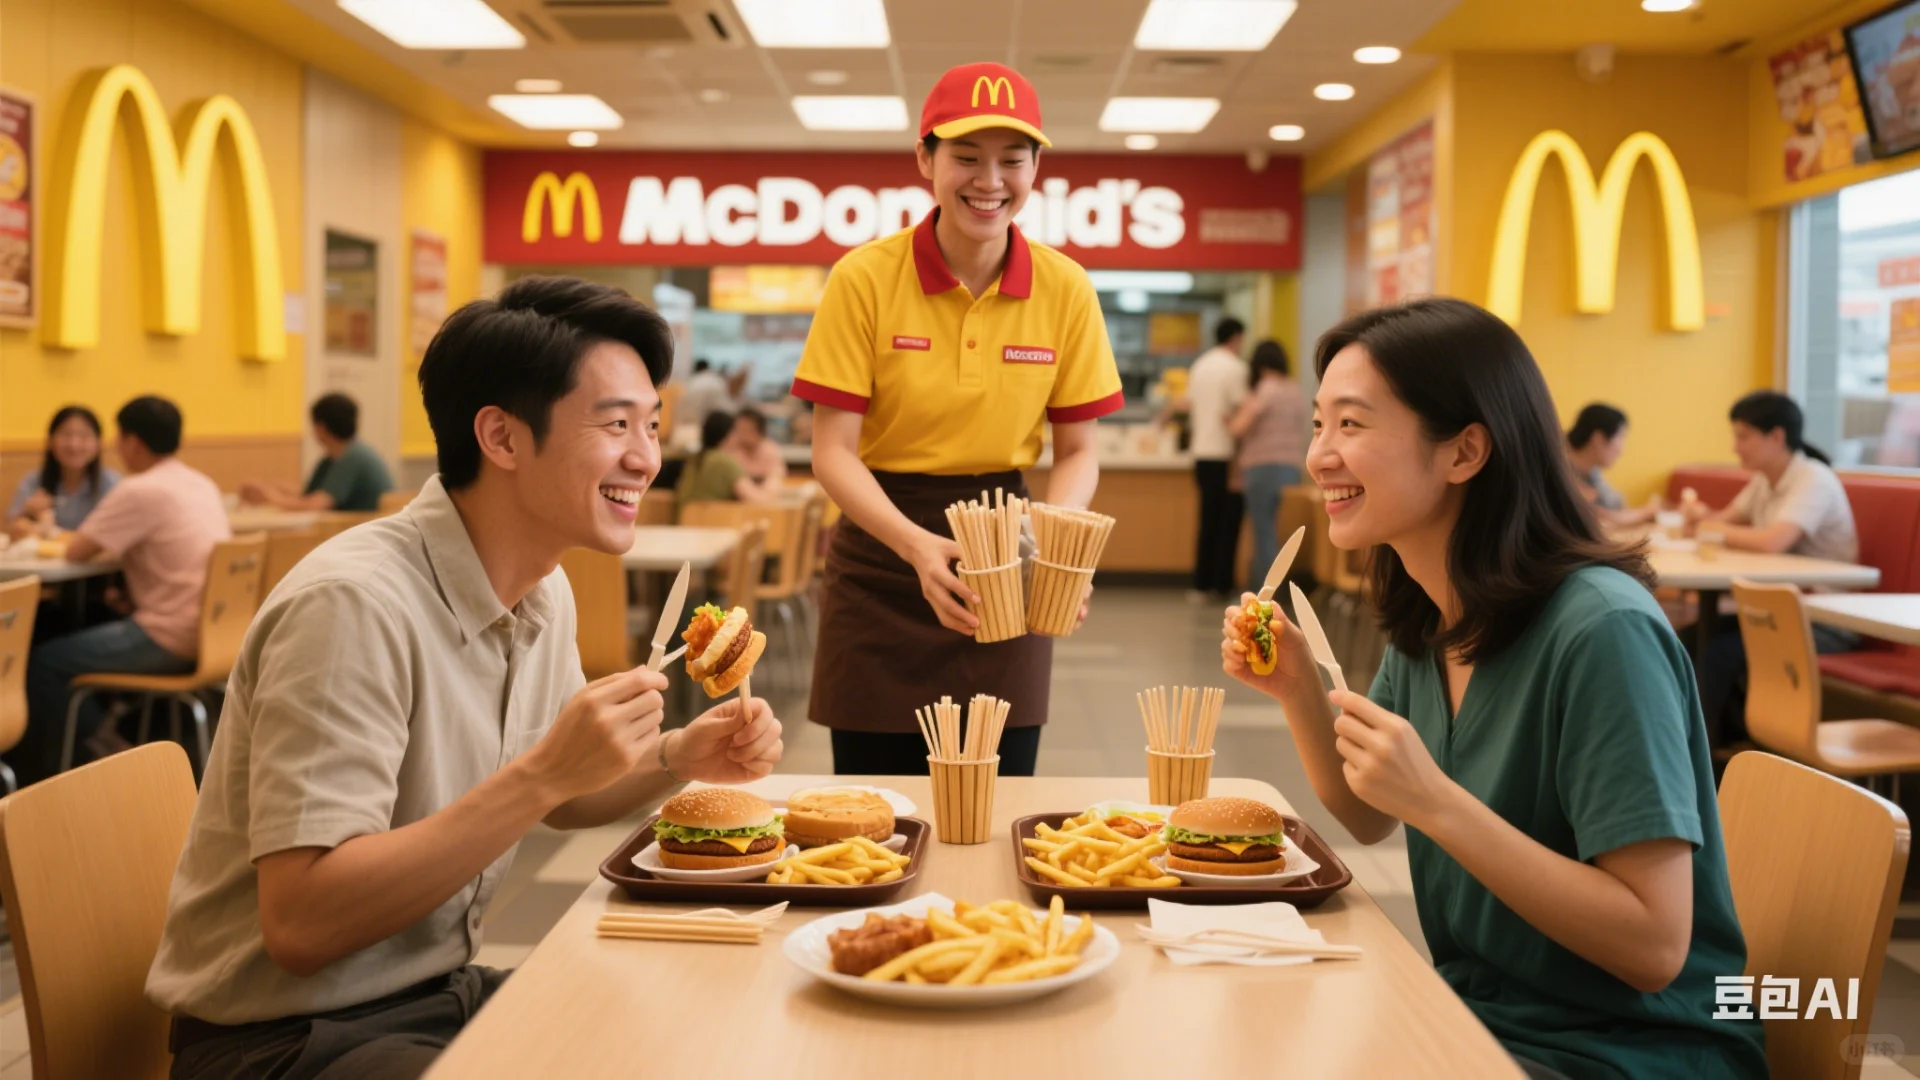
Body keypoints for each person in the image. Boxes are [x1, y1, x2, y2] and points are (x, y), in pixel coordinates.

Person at [146, 276, 784, 1080]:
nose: (646, 457)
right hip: (282, 1040)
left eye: (652, 425)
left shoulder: (539, 586)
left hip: (434, 996)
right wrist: (544, 772)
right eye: (616, 424)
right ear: (503, 438)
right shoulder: (353, 607)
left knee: (695, 1026)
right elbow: (302, 925)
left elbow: (560, 799)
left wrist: (676, 759)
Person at [1222, 298, 1765, 1080]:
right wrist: (1299, 688)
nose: (1319, 456)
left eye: (1351, 424)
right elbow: (1372, 812)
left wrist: (1439, 803)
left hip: (1624, 1052)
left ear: (1465, 451)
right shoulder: (1435, 613)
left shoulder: (1601, 633)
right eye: (1318, 424)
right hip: (1474, 1019)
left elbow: (1653, 945)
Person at [792, 62, 1122, 777]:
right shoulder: (865, 277)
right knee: (877, 815)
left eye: (1013, 159)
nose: (990, 180)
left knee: (998, 801)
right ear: (925, 160)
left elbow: (1078, 452)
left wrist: (1049, 541)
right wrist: (915, 546)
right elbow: (833, 452)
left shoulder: (1064, 287)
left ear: (1037, 167)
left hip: (1007, 549)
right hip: (883, 549)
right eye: (966, 157)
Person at [12, 397, 230, 786]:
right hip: (218, 632)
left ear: (132, 442)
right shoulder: (201, 482)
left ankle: (93, 758)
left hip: (168, 634)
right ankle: (110, 741)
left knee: (44, 661)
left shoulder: (140, 489)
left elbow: (79, 550)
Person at [1689, 391, 1860, 742]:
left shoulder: (1814, 479)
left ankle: (1699, 758)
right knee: (1689, 638)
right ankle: (1696, 744)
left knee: (1717, 651)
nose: (1736, 447)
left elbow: (1772, 541)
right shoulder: (1764, 480)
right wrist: (1705, 520)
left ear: (1777, 436)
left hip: (1828, 619)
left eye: (1743, 436)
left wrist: (1712, 528)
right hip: (1782, 610)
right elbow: (1722, 522)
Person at [1227, 339, 1307, 593]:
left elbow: (1239, 427)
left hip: (1262, 468)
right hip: (1292, 467)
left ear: (1259, 365)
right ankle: (1279, 587)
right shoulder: (1295, 391)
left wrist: (1227, 419)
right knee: (1282, 531)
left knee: (1263, 531)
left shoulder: (1264, 389)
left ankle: (1265, 591)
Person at [239, 393, 395, 513]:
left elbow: (314, 505)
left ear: (321, 428)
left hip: (360, 535)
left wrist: (269, 497)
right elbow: (309, 494)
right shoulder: (333, 459)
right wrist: (271, 487)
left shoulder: (354, 458)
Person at [1186, 317, 1248, 599]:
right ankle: (1221, 584)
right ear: (1236, 337)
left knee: (1207, 520)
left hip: (1201, 453)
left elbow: (1189, 404)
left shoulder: (1200, 365)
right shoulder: (1235, 368)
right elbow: (1240, 411)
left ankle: (1201, 583)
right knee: (1227, 524)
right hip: (1225, 455)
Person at [6, 405, 120, 539]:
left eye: (84, 436)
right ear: (51, 441)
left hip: (94, 557)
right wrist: (27, 512)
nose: (74, 444)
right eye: (66, 435)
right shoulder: (34, 481)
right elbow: (10, 529)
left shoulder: (112, 483)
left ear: (98, 443)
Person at [1565, 403, 1656, 527]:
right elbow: (1598, 515)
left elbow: (1613, 506)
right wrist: (1645, 513)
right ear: (1598, 438)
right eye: (1620, 437)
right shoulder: (1556, 465)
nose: (1621, 450)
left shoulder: (1590, 470)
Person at [676, 410, 777, 510]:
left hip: (686, 521)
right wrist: (773, 478)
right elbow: (757, 501)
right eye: (736, 432)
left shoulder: (696, 458)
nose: (739, 437)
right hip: (711, 522)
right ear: (727, 436)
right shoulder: (724, 462)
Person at [723, 407, 789, 484]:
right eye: (739, 429)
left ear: (760, 431)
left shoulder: (770, 449)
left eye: (748, 430)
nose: (743, 434)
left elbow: (777, 477)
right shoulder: (729, 448)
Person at [678, 359, 733, 432]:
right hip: (709, 427)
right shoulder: (717, 381)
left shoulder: (690, 382)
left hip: (686, 426)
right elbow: (724, 408)